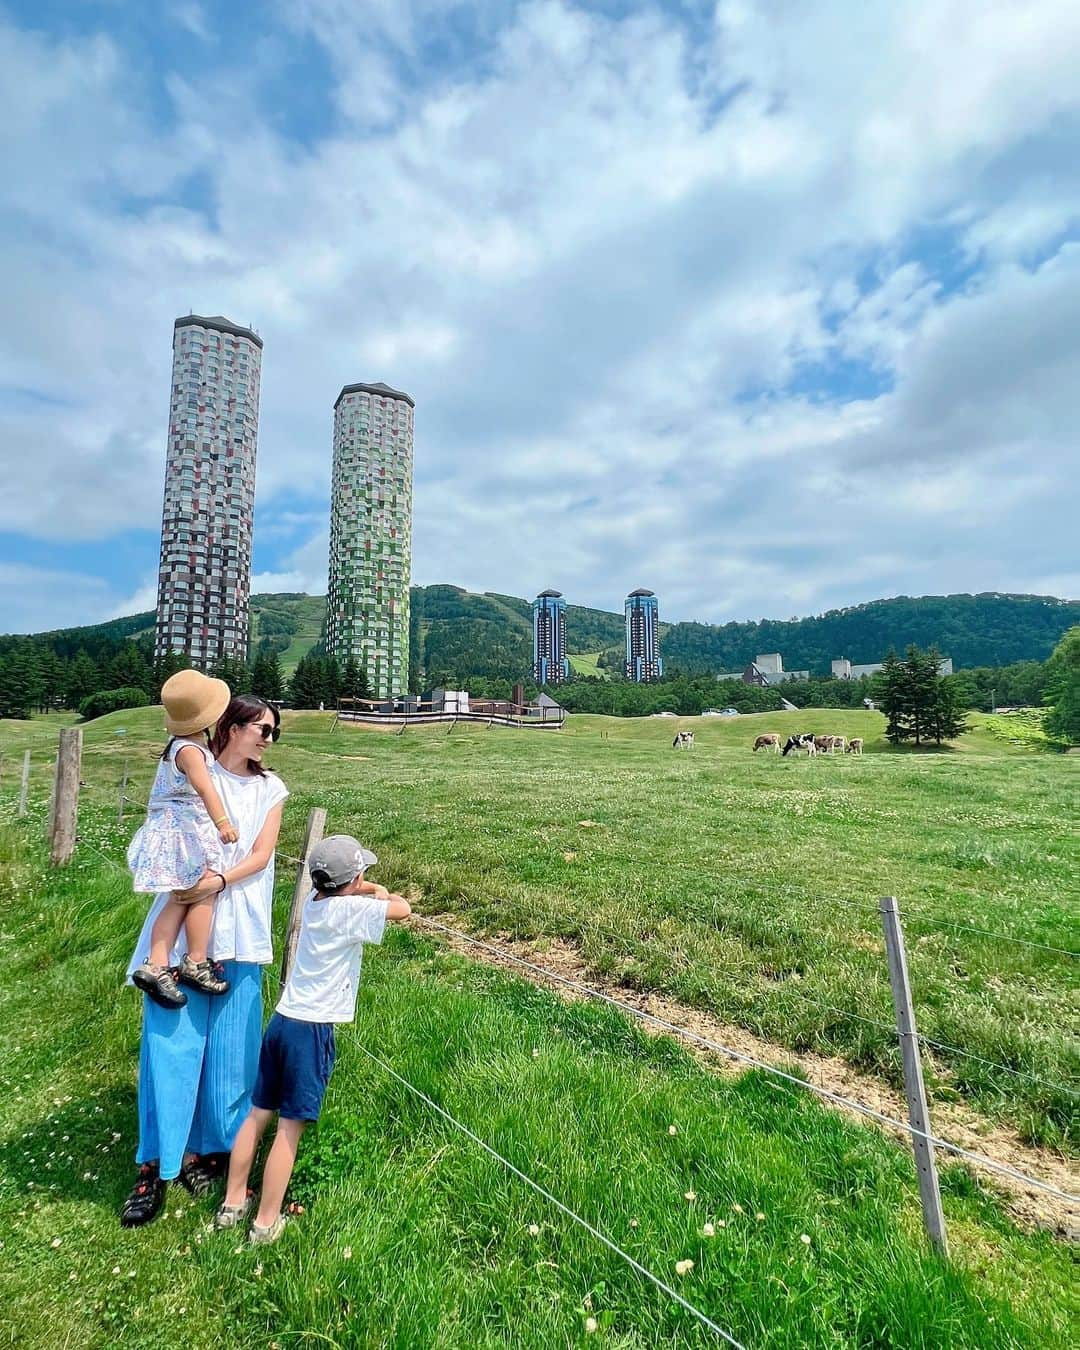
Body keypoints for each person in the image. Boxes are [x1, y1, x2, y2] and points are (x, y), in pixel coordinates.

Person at [120, 695, 289, 1228]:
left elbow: (260, 857)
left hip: (239, 928)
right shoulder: (192, 762)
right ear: (230, 725)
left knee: (231, 1054)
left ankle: (210, 1151)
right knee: (170, 1045)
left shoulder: (271, 789)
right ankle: (155, 1163)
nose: (266, 738)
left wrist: (213, 882)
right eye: (259, 727)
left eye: (273, 732)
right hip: (185, 930)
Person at [215, 835, 411, 1243]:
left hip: (283, 1021)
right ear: (355, 878)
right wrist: (376, 889)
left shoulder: (315, 903)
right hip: (312, 1029)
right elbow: (402, 910)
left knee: (258, 1113)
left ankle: (233, 1203)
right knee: (289, 1128)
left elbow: (354, 896)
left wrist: (362, 887)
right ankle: (266, 1222)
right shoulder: (351, 911)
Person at [128, 669, 239, 1007]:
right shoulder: (191, 751)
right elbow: (204, 788)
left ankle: (157, 964)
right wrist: (223, 822)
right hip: (184, 834)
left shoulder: (176, 747)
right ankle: (195, 960)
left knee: (180, 897)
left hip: (168, 833)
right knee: (202, 891)